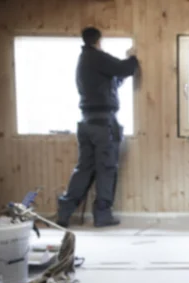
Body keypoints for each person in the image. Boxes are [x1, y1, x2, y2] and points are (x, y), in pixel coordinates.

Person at [57, 27, 139, 228]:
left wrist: (120, 76)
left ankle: (65, 211)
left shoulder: (84, 61)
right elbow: (125, 68)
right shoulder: (96, 56)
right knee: (106, 168)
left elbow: (112, 81)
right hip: (103, 124)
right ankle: (102, 215)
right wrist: (133, 57)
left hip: (86, 122)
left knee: (84, 168)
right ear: (98, 40)